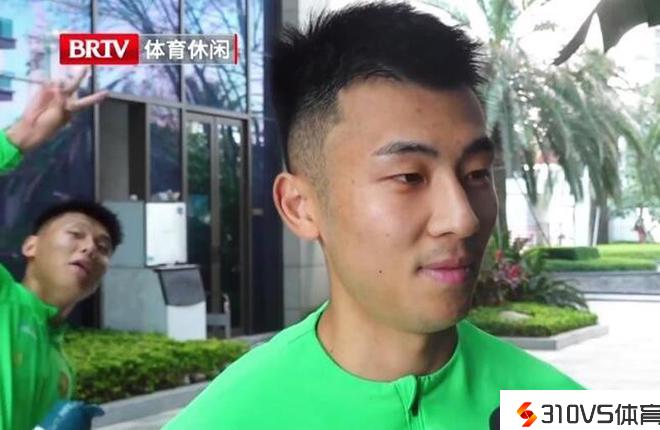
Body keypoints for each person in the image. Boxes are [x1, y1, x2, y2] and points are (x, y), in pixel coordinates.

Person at [166, 3, 583, 429]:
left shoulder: (560, 409)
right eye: (409, 177)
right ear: (300, 207)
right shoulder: (228, 418)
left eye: (476, 173)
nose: (463, 219)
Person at [0, 68, 115, 430]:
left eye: (103, 246)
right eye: (75, 234)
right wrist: (19, 137)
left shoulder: (63, 369)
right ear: (30, 245)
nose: (89, 248)